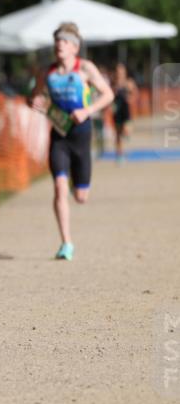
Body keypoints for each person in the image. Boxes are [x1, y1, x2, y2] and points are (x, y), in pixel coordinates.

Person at [30, 22, 114, 260]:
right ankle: (66, 242)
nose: (59, 45)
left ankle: (77, 183)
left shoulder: (85, 69)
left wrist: (87, 110)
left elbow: (108, 94)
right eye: (57, 40)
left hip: (82, 135)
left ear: (75, 47)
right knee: (58, 188)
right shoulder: (47, 72)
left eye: (64, 41)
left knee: (80, 197)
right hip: (59, 136)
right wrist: (34, 101)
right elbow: (34, 96)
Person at [112, 62, 137, 162]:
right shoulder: (113, 83)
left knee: (126, 130)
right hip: (117, 111)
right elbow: (109, 95)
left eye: (121, 71)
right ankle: (119, 155)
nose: (119, 73)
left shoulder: (129, 82)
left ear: (125, 72)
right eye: (118, 71)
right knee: (118, 135)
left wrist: (130, 99)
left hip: (126, 111)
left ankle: (126, 134)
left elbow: (135, 94)